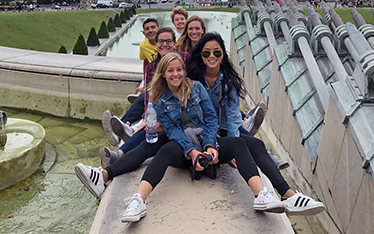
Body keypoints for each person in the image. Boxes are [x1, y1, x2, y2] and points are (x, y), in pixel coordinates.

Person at [120, 53, 288, 222]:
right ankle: (138, 200)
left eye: (179, 69)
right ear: (163, 73)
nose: (176, 74)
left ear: (184, 71)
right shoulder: (160, 101)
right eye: (170, 70)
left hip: (207, 141)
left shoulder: (197, 88)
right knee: (165, 150)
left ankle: (261, 195)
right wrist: (192, 152)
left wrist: (210, 146)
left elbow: (211, 118)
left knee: (238, 143)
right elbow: (173, 131)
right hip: (185, 148)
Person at [185, 32, 325, 216]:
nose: (212, 57)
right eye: (206, 53)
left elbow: (233, 117)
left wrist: (232, 139)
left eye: (217, 53)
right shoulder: (191, 80)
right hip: (200, 135)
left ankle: (287, 195)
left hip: (221, 131)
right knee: (243, 143)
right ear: (200, 55)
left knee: (255, 143)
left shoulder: (228, 81)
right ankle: (278, 192)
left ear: (223, 56)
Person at [99, 27, 184, 165]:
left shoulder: (184, 58)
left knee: (153, 130)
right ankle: (118, 153)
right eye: (161, 41)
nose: (164, 44)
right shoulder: (151, 67)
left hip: (181, 109)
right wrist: (147, 117)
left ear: (174, 43)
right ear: (155, 44)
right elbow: (150, 95)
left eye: (168, 41)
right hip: (162, 108)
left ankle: (124, 139)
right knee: (150, 126)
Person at [102, 18, 160, 146]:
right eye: (147, 28)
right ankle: (122, 127)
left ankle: (122, 126)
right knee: (145, 95)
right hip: (156, 82)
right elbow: (146, 63)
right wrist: (145, 82)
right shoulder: (144, 45)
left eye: (153, 27)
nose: (150, 30)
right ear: (143, 33)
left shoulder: (170, 44)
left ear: (158, 29)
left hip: (165, 83)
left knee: (146, 97)